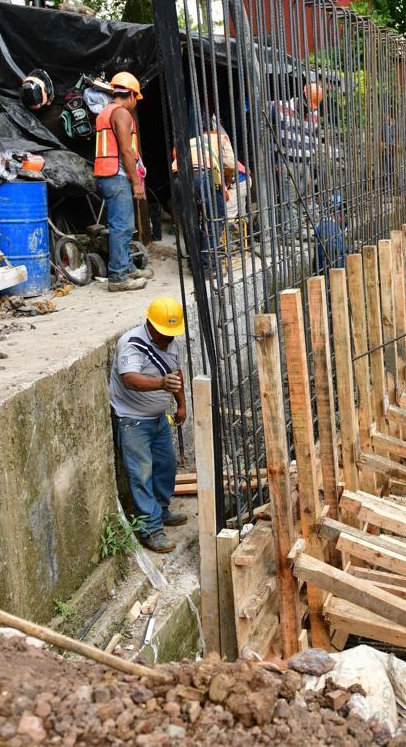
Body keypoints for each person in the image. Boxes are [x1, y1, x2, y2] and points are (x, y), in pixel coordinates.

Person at [109, 296, 189, 552]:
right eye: (164, 332)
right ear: (150, 325)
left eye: (171, 333)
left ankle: (161, 511)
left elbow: (176, 375)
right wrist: (161, 384)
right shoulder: (132, 344)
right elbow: (130, 379)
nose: (168, 338)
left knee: (166, 466)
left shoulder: (172, 344)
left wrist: (181, 404)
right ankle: (150, 529)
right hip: (133, 420)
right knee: (141, 474)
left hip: (157, 419)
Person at [93, 72, 152, 292]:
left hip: (105, 175)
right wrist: (136, 182)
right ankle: (118, 277)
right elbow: (126, 151)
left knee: (122, 225)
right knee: (123, 227)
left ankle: (126, 267)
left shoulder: (105, 112)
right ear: (131, 94)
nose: (136, 102)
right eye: (137, 97)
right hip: (116, 177)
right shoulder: (121, 114)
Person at [172, 116, 236, 276]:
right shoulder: (221, 138)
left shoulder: (191, 141)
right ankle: (210, 267)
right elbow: (230, 164)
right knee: (214, 219)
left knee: (190, 221)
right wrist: (226, 186)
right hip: (203, 175)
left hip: (179, 178)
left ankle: (194, 265)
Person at [266, 83, 323, 243]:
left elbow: (315, 138)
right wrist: (274, 155)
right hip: (287, 160)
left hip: (305, 162)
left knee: (301, 199)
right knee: (288, 200)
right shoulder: (279, 107)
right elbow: (261, 115)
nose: (308, 110)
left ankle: (298, 231)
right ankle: (288, 234)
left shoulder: (315, 115)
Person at [313, 194, 350, 276]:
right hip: (330, 278)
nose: (345, 217)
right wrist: (349, 249)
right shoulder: (329, 227)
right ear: (338, 212)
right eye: (344, 214)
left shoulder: (331, 226)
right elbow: (332, 250)